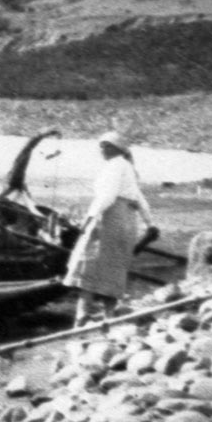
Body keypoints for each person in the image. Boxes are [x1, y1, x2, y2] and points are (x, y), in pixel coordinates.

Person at [63, 132, 155, 327]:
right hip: (127, 222)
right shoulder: (127, 167)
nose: (102, 149)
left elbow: (108, 196)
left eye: (106, 146)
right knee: (115, 267)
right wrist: (150, 223)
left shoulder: (115, 166)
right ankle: (109, 315)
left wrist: (89, 218)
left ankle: (82, 314)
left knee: (89, 263)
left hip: (110, 219)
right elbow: (139, 198)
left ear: (117, 149)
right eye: (101, 145)